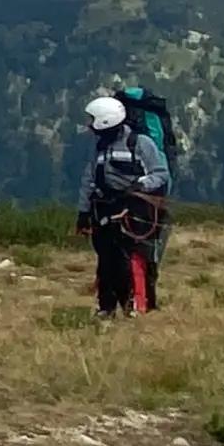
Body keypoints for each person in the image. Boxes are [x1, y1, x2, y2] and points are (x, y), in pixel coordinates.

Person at [76, 95, 170, 317]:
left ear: (105, 122)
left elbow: (160, 174)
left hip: (134, 214)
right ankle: (106, 307)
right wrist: (83, 212)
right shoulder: (100, 148)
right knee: (106, 260)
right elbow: (89, 181)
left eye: (93, 120)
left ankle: (136, 305)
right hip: (104, 211)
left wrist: (139, 186)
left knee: (132, 259)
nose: (90, 126)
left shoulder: (140, 144)